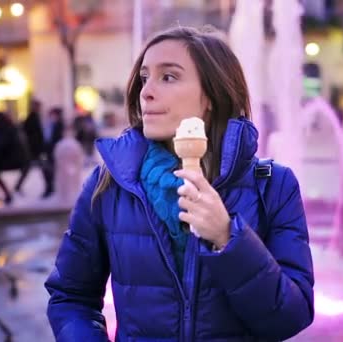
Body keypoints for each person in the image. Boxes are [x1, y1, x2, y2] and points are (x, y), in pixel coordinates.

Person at [45, 26, 314, 341]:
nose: (146, 91)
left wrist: (229, 239)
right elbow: (70, 297)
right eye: (145, 77)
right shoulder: (109, 185)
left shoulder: (274, 187)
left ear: (212, 96)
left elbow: (290, 318)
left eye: (168, 77)